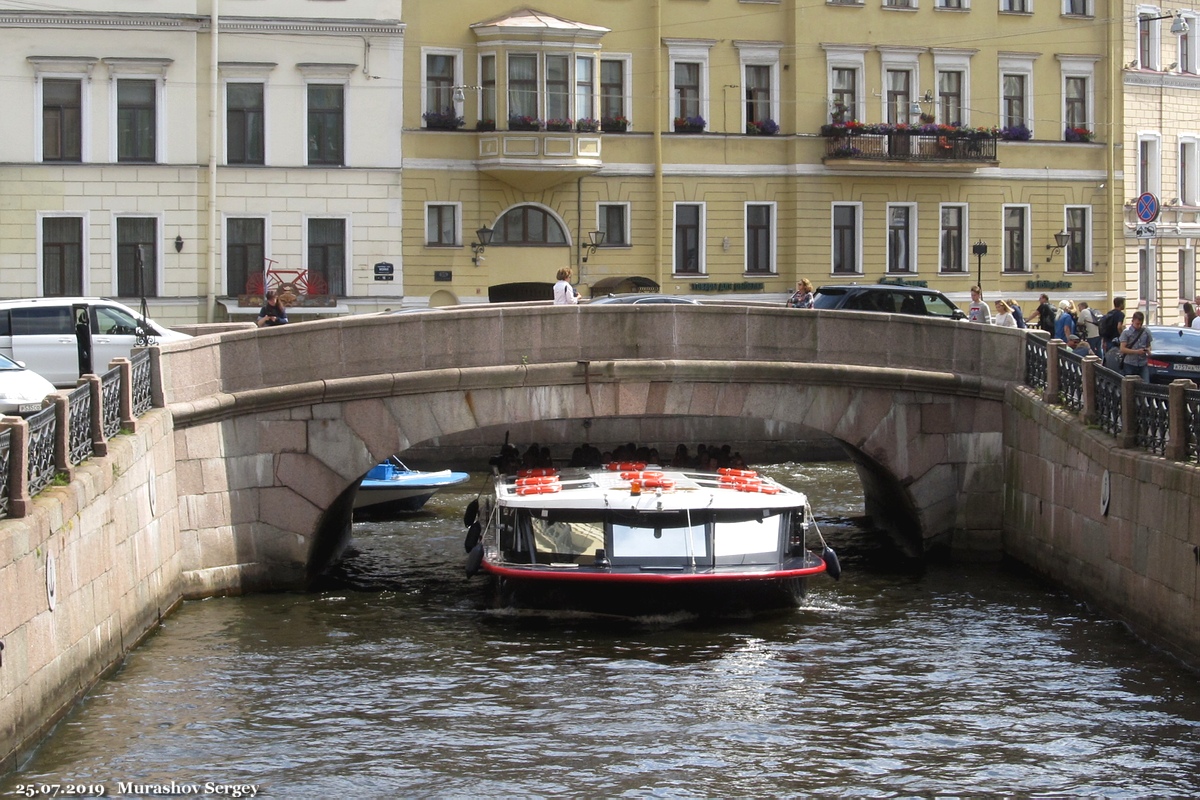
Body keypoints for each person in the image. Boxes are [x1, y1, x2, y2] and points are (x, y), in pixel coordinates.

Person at [1118, 310, 1153, 381]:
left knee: (1146, 384)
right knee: (1129, 385)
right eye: (1137, 324)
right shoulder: (1126, 332)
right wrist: (1137, 352)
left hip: (1142, 363)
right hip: (1130, 363)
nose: (1139, 326)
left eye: (1141, 324)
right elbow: (1122, 349)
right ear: (1132, 321)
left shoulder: (1146, 331)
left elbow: (1148, 345)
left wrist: (1148, 350)